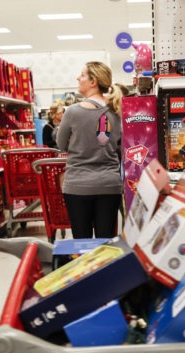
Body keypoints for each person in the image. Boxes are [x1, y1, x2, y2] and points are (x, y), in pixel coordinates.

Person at [56, 61, 124, 239]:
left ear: (93, 81)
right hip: (109, 185)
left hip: (78, 185)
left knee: (82, 243)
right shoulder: (117, 112)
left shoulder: (72, 112)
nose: (78, 78)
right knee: (106, 244)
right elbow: (120, 148)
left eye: (83, 75)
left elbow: (61, 145)